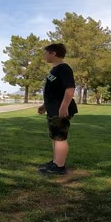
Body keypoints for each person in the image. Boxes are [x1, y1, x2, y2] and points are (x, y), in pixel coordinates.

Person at [37, 43, 78, 175]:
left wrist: (63, 106)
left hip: (60, 109)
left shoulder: (63, 68)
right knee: (55, 137)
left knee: (60, 137)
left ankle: (59, 167)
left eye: (46, 53)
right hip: (53, 108)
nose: (44, 56)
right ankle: (55, 162)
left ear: (53, 53)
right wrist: (45, 105)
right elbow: (54, 91)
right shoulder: (54, 70)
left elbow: (70, 88)